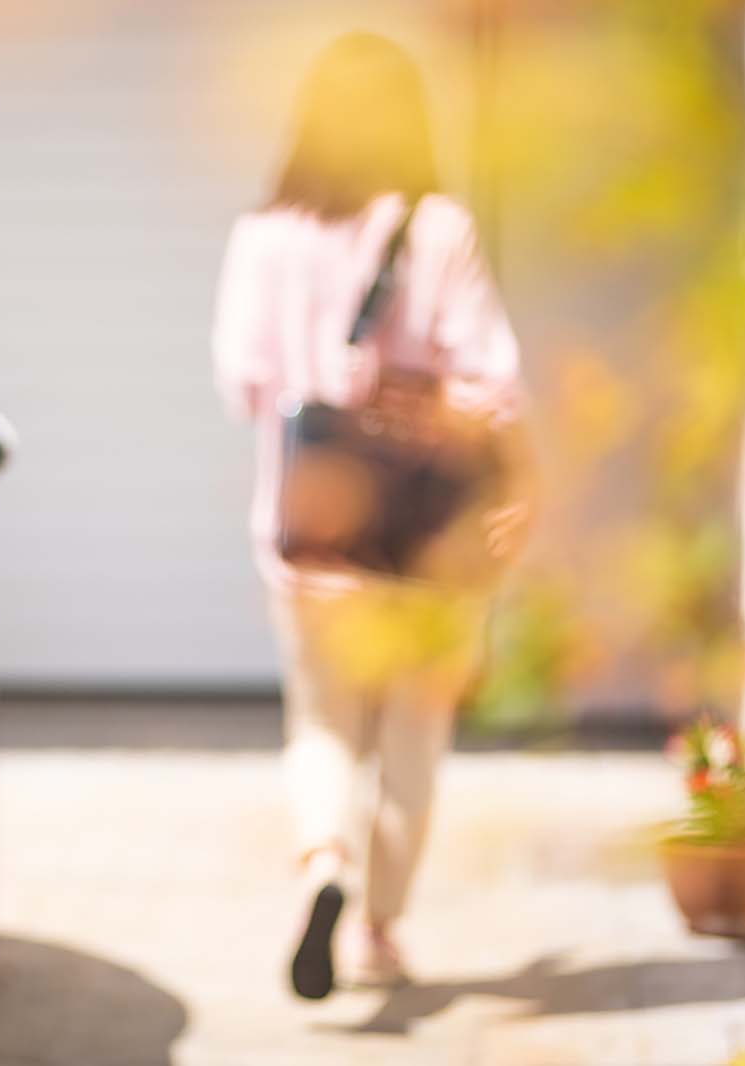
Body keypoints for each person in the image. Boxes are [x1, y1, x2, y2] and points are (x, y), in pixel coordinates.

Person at [211, 31, 532, 1000]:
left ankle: (323, 867)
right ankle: (381, 933)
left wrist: (320, 377)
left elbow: (239, 381)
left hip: (308, 528)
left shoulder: (261, 236)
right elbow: (495, 386)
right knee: (408, 735)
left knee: (319, 722)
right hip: (425, 536)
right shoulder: (438, 229)